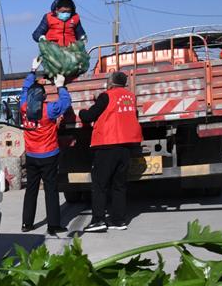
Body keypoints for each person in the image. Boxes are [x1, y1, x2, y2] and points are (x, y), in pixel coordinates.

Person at [78, 71, 142, 232]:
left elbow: (89, 116)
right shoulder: (130, 97)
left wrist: (81, 112)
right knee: (119, 185)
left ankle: (98, 220)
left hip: (108, 144)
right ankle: (118, 221)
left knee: (100, 184)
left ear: (111, 83)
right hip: (126, 146)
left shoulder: (106, 96)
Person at [19, 60, 70, 235]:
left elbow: (24, 89)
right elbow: (66, 102)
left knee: (31, 190)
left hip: (32, 155)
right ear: (42, 97)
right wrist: (60, 86)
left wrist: (32, 70)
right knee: (51, 190)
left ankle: (27, 223)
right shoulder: (49, 109)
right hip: (49, 154)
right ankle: (53, 225)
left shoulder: (24, 107)